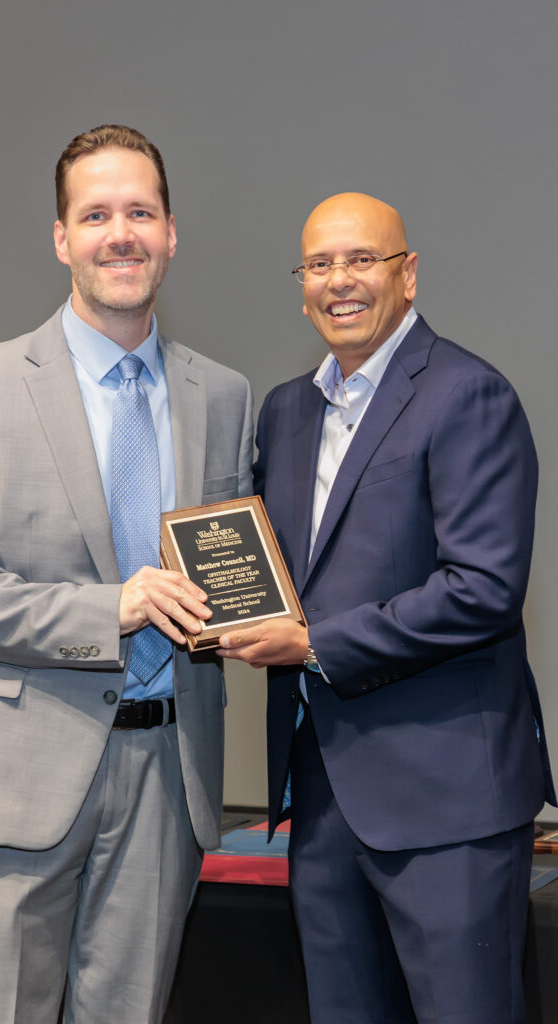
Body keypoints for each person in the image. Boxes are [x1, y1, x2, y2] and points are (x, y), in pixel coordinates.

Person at [0, 123, 252, 1024]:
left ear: (172, 233)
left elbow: (229, 563)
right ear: (62, 239)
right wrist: (113, 607)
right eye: (95, 214)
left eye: (140, 211)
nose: (119, 233)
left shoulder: (223, 395)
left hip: (166, 779)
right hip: (17, 781)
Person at [218, 192, 555, 1024]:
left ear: (407, 275)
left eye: (361, 260)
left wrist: (309, 642)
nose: (339, 281)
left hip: (447, 804)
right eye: (320, 264)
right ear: (301, 287)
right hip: (323, 793)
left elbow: (480, 590)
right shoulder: (286, 411)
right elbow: (283, 575)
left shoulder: (468, 394)